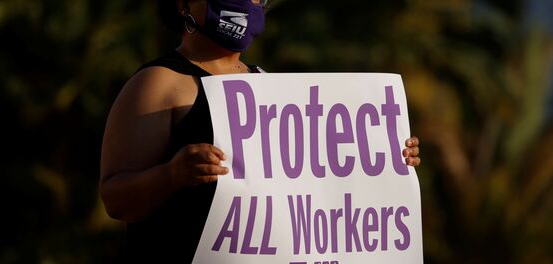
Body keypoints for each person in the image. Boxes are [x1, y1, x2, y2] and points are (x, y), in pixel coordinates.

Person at [99, 0, 421, 262]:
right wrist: (172, 175)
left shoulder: (268, 87)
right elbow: (116, 200)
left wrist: (384, 158)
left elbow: (319, 183)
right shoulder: (160, 82)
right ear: (183, 4)